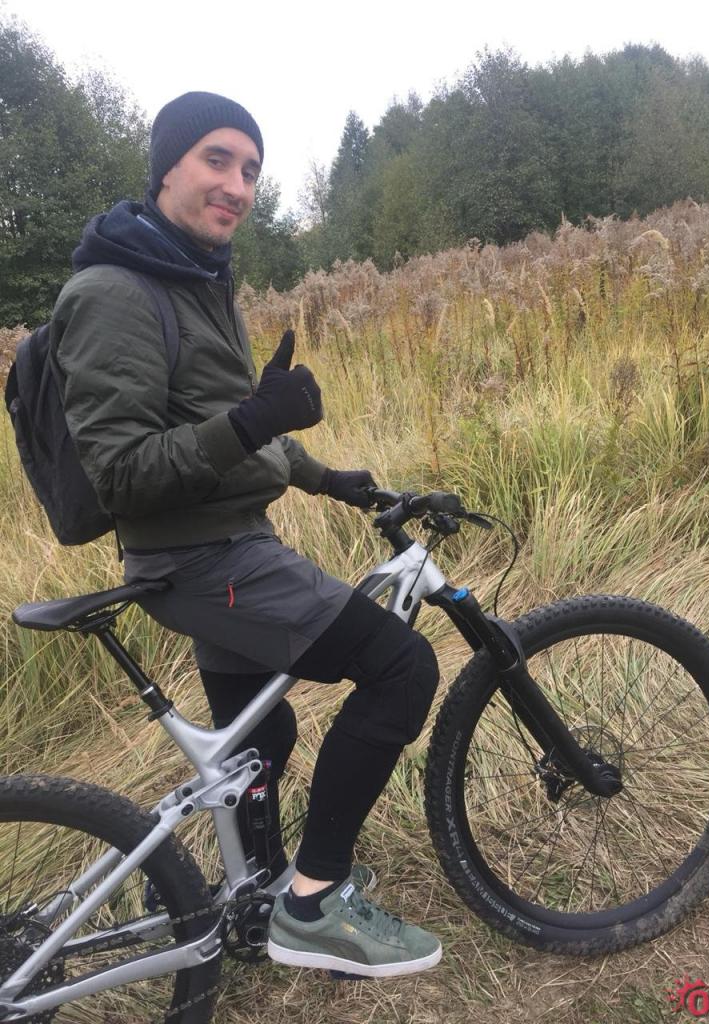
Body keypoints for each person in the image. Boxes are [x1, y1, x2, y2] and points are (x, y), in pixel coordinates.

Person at [50, 91, 442, 978]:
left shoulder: (193, 279)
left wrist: (327, 477)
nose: (238, 185)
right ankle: (313, 904)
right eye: (217, 159)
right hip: (203, 560)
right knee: (402, 667)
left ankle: (253, 895)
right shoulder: (114, 292)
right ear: (167, 168)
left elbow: (230, 428)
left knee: (260, 741)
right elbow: (123, 474)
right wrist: (256, 418)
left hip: (223, 547)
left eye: (253, 169)